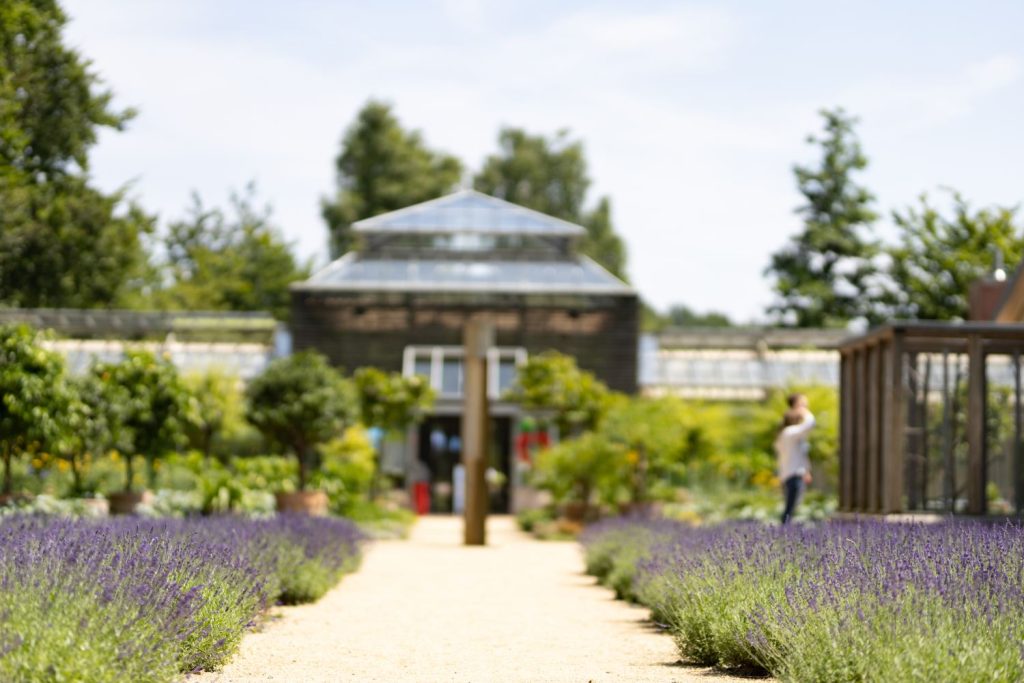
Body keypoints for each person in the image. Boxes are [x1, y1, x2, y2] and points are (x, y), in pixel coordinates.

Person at [775, 393, 814, 524]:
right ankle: (784, 535)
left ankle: (785, 534)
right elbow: (809, 424)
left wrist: (806, 471)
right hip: (793, 476)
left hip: (790, 475)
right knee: (790, 509)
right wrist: (805, 412)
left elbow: (799, 455)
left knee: (790, 508)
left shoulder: (785, 435)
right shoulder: (790, 433)